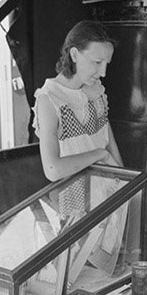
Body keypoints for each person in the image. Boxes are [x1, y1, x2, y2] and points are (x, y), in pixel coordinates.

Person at [33, 20, 124, 182]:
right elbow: (53, 169)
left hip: (109, 192)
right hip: (77, 199)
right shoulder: (50, 99)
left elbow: (108, 140)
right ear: (74, 54)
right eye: (97, 62)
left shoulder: (96, 89)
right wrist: (100, 154)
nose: (103, 72)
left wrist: (125, 181)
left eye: (106, 64)